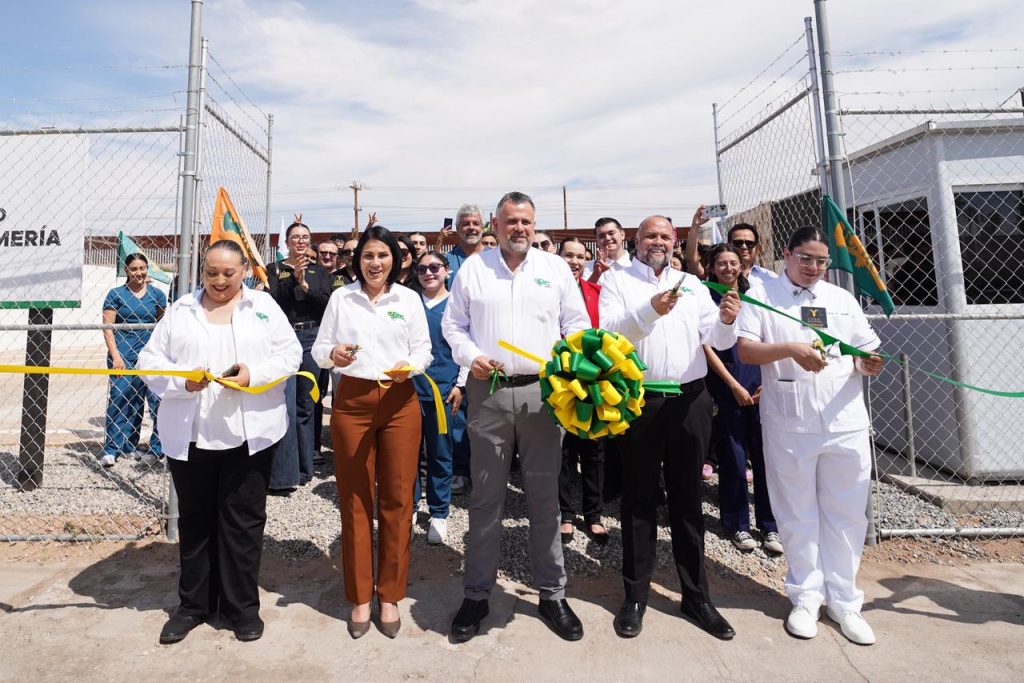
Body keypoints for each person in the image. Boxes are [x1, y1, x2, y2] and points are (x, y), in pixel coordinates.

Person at [442, 191, 591, 643]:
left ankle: (552, 593)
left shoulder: (554, 269)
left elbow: (578, 324)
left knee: (544, 498)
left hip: (542, 394)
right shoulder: (474, 269)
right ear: (496, 224)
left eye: (526, 221)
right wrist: (471, 356)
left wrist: (567, 361)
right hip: (487, 391)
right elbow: (453, 325)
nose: (519, 228)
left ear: (534, 224)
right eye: (511, 221)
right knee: (486, 498)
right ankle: (477, 594)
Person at [138, 240, 301, 645]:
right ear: (202, 272)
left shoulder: (263, 308)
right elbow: (148, 362)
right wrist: (182, 381)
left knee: (242, 522)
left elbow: (290, 354)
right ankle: (193, 605)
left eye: (229, 273)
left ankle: (240, 607)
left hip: (249, 436)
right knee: (196, 522)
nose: (220, 280)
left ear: (244, 270)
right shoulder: (181, 310)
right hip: (192, 434)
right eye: (212, 272)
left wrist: (253, 374)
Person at [736, 226, 883, 645]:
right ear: (786, 254)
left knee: (847, 512)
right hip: (790, 421)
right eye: (805, 258)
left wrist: (868, 363)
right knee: (796, 511)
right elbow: (746, 350)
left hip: (844, 420)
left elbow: (864, 350)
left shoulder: (841, 299)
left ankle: (845, 601)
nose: (813, 267)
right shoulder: (761, 295)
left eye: (821, 261)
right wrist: (790, 349)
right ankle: (805, 598)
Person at [600, 214, 741, 641]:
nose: (657, 241)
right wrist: (650, 310)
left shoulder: (692, 284)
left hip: (690, 401)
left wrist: (728, 320)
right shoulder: (617, 280)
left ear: (675, 241)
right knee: (638, 500)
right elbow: (609, 334)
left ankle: (696, 596)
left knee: (688, 500)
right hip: (640, 400)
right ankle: (635, 596)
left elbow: (717, 340)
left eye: (665, 235)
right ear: (636, 240)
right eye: (650, 236)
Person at [312, 225, 431, 639]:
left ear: (394, 260)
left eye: (382, 255)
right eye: (368, 255)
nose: (375, 263)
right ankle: (361, 596)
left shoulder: (408, 299)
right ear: (357, 260)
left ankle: (390, 594)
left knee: (398, 499)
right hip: (353, 401)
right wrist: (333, 353)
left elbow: (423, 349)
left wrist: (409, 367)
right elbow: (319, 349)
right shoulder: (342, 299)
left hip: (400, 400)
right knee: (356, 499)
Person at [702, 244, 781, 555]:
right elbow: (707, 346)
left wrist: (766, 383)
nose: (728, 268)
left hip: (761, 386)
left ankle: (771, 525)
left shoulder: (757, 296)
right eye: (721, 263)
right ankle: (737, 524)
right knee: (733, 460)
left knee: (766, 459)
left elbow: (770, 339)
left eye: (733, 262)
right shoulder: (706, 297)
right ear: (712, 267)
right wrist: (733, 385)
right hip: (728, 386)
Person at [266, 217, 332, 494]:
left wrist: (305, 286)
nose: (301, 241)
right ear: (287, 242)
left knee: (305, 404)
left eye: (305, 237)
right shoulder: (275, 269)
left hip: (310, 338)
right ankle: (284, 468)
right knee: (284, 403)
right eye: (296, 237)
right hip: (283, 338)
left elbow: (326, 304)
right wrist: (293, 278)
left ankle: (305, 468)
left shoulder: (320, 271)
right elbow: (273, 301)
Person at [411, 251, 470, 545]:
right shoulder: (409, 304)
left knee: (440, 453)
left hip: (444, 391)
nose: (428, 273)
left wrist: (461, 384)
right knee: (407, 454)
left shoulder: (457, 306)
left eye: (434, 267)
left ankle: (438, 512)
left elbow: (467, 346)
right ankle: (409, 507)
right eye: (422, 268)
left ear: (447, 270)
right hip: (409, 390)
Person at [556, 238, 608, 545]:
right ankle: (565, 513)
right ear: (557, 257)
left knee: (593, 449)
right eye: (568, 255)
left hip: (593, 380)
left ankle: (594, 514)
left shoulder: (597, 293)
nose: (574, 262)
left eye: (580, 256)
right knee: (563, 450)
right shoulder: (548, 290)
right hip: (559, 380)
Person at [100, 253, 167, 467]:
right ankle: (112, 448)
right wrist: (116, 356)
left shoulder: (157, 295)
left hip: (149, 355)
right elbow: (108, 328)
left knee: (150, 400)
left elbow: (162, 325)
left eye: (142, 268)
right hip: (123, 354)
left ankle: (147, 448)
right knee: (120, 397)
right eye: (134, 269)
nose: (139, 272)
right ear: (127, 271)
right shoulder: (116, 294)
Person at [445, 203, 486, 288]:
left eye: (476, 223)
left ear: (482, 227)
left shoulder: (497, 258)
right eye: (466, 224)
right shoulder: (446, 261)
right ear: (457, 228)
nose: (471, 227)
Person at [584, 217, 631, 283]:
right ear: (596, 240)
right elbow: (584, 289)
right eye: (601, 236)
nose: (607, 238)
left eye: (611, 233)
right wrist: (596, 274)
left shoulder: (637, 264)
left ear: (622, 234)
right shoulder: (588, 267)